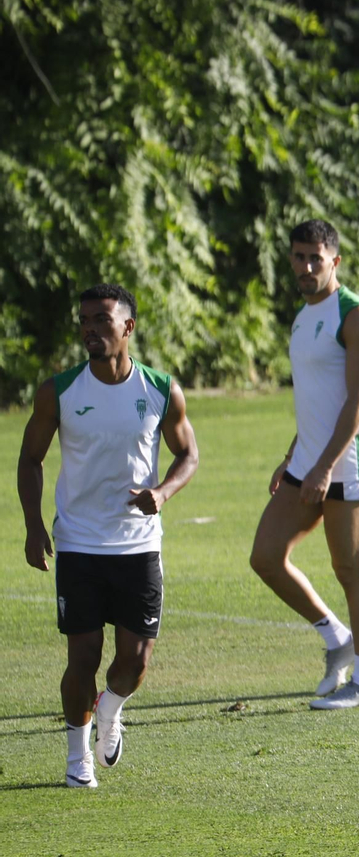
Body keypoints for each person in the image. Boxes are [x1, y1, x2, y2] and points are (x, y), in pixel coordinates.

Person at [17, 284, 199, 787]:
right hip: (78, 543)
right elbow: (30, 459)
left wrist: (161, 494)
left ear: (128, 328)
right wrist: (34, 527)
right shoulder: (60, 391)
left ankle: (110, 707)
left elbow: (189, 456)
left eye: (101, 320)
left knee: (136, 662)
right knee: (83, 657)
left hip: (138, 544)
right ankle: (78, 758)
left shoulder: (160, 389)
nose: (90, 330)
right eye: (85, 321)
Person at [249, 219, 359, 709]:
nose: (306, 267)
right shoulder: (303, 317)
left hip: (347, 464)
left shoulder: (356, 317)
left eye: (316, 258)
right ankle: (336, 639)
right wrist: (292, 456)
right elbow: (316, 398)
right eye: (299, 257)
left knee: (351, 570)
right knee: (265, 557)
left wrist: (325, 466)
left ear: (335, 261)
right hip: (307, 460)